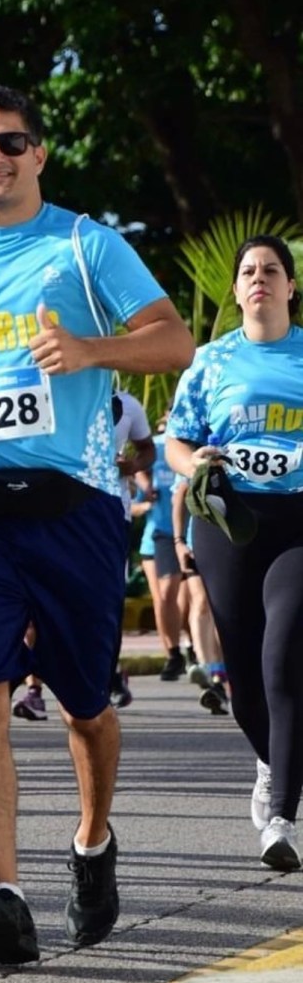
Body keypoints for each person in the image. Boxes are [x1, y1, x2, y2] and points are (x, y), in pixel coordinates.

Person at [0, 84, 194, 964]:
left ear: (38, 155)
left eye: (12, 143)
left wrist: (94, 350)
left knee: (83, 706)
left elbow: (173, 342)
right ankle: (7, 897)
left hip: (78, 514)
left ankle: (91, 843)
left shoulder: (84, 244)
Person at [166, 234, 303, 870]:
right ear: (238, 289)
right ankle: (273, 758)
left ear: (291, 286)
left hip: (297, 520)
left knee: (283, 657)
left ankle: (281, 817)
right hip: (227, 519)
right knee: (243, 677)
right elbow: (177, 440)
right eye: (248, 271)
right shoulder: (213, 361)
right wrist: (193, 460)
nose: (259, 279)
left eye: (271, 270)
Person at [109, 389, 156, 708]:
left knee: (109, 598)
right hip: (62, 512)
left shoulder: (127, 405)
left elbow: (147, 449)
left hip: (113, 512)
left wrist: (131, 467)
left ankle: (109, 674)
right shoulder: (59, 393)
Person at [170, 476, 229, 715]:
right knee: (202, 602)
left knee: (225, 609)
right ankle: (210, 672)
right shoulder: (197, 450)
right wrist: (179, 541)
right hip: (200, 542)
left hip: (236, 541)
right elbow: (180, 497)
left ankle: (224, 672)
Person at [137, 418, 186, 681]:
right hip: (156, 536)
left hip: (185, 534)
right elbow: (139, 465)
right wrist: (145, 492)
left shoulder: (190, 446)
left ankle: (194, 651)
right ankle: (173, 654)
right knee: (164, 598)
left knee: (188, 601)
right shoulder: (155, 447)